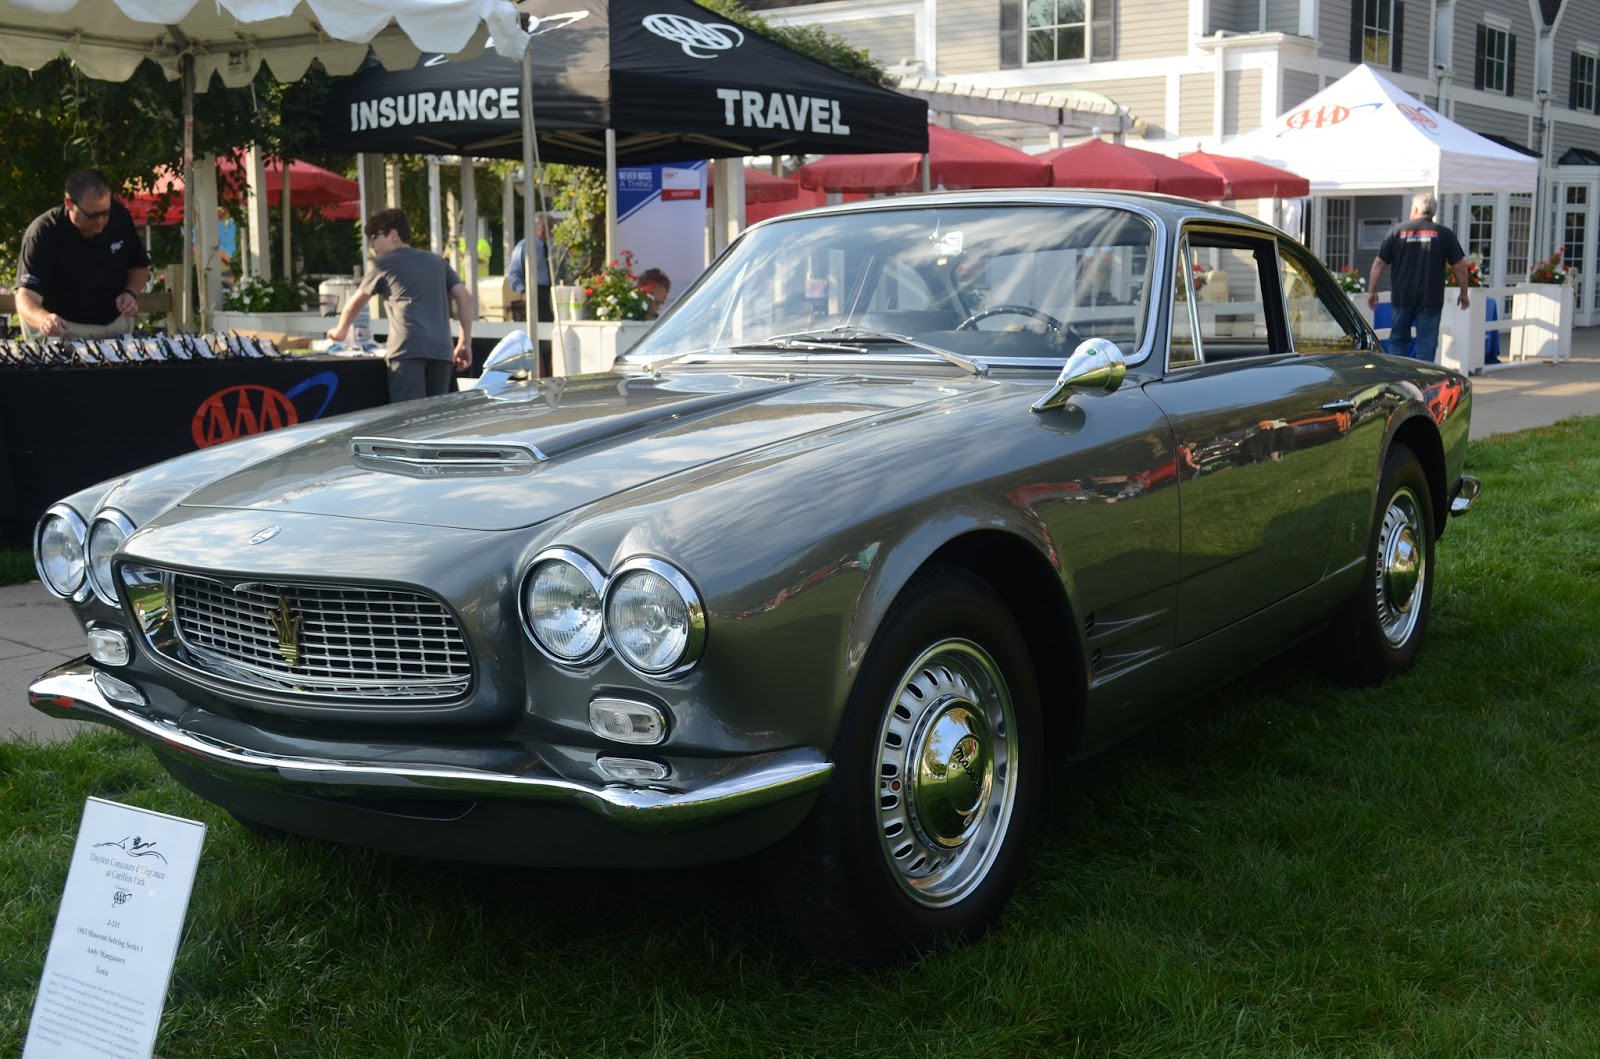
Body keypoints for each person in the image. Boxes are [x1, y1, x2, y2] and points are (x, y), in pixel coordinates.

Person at [328, 208, 473, 402]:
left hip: (407, 350)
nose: (372, 244)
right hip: (442, 351)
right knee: (435, 423)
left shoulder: (384, 263)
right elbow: (464, 297)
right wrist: (464, 342)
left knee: (408, 422)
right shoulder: (437, 261)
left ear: (394, 235)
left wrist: (340, 332)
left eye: (374, 236)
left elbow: (354, 304)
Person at [14, 168, 151, 339]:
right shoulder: (43, 231)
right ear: (69, 204)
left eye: (105, 213)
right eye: (92, 215)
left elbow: (139, 266)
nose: (101, 220)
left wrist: (130, 293)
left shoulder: (120, 217)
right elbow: (26, 297)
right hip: (63, 329)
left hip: (115, 327)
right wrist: (44, 319)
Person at [1367, 192, 1470, 361]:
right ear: (1433, 212)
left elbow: (1379, 263)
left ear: (1415, 209)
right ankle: (1423, 384)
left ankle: (1398, 380)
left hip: (1402, 297)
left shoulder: (1397, 232)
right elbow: (1460, 266)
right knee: (1426, 345)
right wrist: (1463, 293)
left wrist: (1372, 291)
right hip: (1431, 298)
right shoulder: (1443, 233)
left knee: (1398, 341)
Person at [508, 213, 552, 323]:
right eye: (545, 226)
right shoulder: (525, 246)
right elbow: (513, 274)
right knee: (543, 326)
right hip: (535, 292)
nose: (548, 230)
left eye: (551, 227)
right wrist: (523, 291)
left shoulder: (554, 247)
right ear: (536, 227)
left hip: (553, 292)